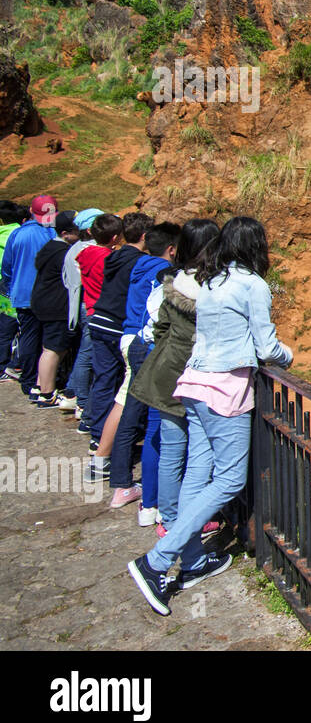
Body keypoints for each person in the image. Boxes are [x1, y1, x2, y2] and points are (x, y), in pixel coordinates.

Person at [128, 217, 293, 616]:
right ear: (257, 246)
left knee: (198, 472)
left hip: (193, 387)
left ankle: (196, 559)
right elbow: (267, 346)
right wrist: (290, 357)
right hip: (224, 391)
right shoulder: (253, 285)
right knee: (230, 479)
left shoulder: (212, 281)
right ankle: (156, 561)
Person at [129, 218, 219, 534]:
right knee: (200, 453)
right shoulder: (216, 288)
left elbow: (160, 328)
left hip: (168, 372)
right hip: (201, 377)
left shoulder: (174, 283)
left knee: (171, 450)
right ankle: (193, 515)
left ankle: (167, 518)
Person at [106, 221, 179, 511]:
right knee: (146, 419)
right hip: (145, 345)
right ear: (172, 249)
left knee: (131, 408)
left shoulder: (137, 263)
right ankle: (138, 493)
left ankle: (131, 488)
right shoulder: (159, 273)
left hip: (130, 337)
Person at [85, 212, 152, 482]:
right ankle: (102, 453)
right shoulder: (139, 262)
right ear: (146, 237)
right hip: (117, 326)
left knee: (105, 381)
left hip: (98, 318)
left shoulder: (115, 255)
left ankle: (96, 434)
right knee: (123, 393)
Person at [0, 196, 57, 396]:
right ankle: (47, 380)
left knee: (28, 337)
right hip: (49, 295)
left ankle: (28, 379)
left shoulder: (18, 234)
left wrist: (9, 286)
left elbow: (6, 266)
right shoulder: (54, 233)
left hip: (23, 293)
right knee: (48, 339)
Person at [27, 211, 82, 406]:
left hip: (42, 301)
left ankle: (40, 386)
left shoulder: (50, 247)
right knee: (54, 349)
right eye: (77, 231)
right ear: (66, 233)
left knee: (48, 347)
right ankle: (47, 393)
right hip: (56, 305)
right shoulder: (64, 253)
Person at [76, 213, 122, 436]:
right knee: (104, 373)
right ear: (115, 238)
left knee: (98, 369)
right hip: (103, 313)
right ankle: (89, 417)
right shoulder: (108, 259)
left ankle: (88, 415)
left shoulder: (85, 253)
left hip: (88, 308)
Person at [60, 208, 105, 418]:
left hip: (78, 305)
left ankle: (71, 392)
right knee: (87, 354)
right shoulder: (92, 251)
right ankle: (82, 402)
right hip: (91, 304)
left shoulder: (73, 248)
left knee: (83, 352)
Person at [0, 200, 25, 379]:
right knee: (16, 324)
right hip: (14, 283)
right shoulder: (19, 232)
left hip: (2, 283)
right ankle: (13, 363)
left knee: (4, 325)